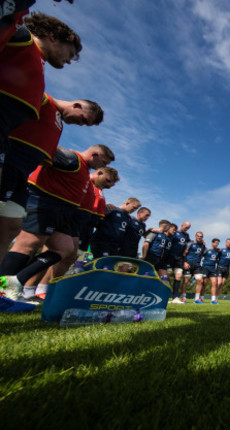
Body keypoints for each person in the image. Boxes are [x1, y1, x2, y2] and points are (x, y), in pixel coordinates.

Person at [0, 144, 114, 300]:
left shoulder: (83, 169)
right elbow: (42, 153)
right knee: (28, 244)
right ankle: (3, 289)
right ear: (95, 154)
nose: (104, 166)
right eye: (104, 162)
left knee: (64, 249)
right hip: (46, 205)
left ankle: (17, 280)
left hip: (62, 213)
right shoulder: (72, 158)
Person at [0, 94, 103, 263]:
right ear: (77, 105)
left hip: (21, 176)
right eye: (84, 119)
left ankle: (4, 282)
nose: (81, 124)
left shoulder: (59, 125)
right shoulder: (43, 100)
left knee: (11, 227)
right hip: (8, 165)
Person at [0, 12, 81, 191]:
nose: (69, 60)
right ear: (53, 37)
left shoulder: (38, 64)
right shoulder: (21, 37)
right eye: (70, 53)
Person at [169, 221, 191, 302]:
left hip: (180, 258)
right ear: (182, 225)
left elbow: (189, 244)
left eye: (188, 228)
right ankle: (161, 294)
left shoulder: (186, 235)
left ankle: (174, 297)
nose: (187, 229)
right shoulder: (174, 232)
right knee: (165, 276)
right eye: (186, 227)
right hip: (170, 257)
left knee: (178, 276)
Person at [184, 232, 206, 304]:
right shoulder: (190, 243)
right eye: (198, 236)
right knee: (186, 281)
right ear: (195, 236)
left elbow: (202, 254)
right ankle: (183, 298)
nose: (199, 237)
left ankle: (196, 299)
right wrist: (185, 262)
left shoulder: (203, 246)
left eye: (201, 236)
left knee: (200, 280)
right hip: (189, 264)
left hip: (197, 265)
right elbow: (184, 253)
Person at [213, 238, 230, 303]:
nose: (229, 243)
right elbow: (216, 256)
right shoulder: (221, 249)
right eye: (228, 242)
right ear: (226, 243)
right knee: (219, 283)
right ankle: (213, 297)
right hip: (220, 267)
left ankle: (216, 298)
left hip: (227, 268)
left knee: (222, 284)